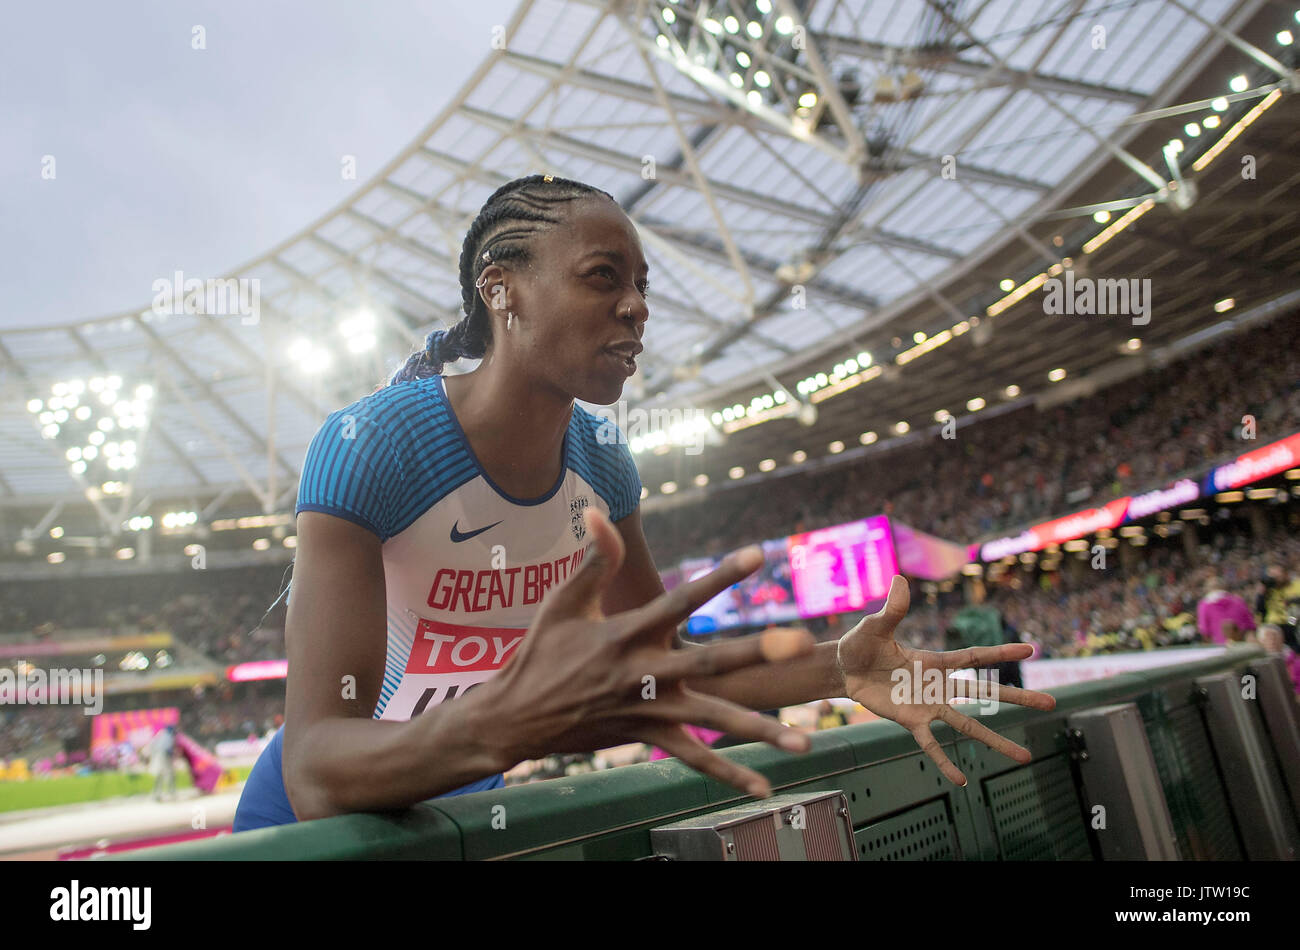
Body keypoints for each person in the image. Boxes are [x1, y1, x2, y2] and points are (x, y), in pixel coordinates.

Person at [234, 174, 1056, 832]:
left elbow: (666, 677)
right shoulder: (370, 446)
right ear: (502, 291)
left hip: (457, 808)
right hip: (306, 832)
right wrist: (510, 723)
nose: (637, 307)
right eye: (603, 278)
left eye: (641, 285)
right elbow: (316, 769)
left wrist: (840, 666)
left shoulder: (603, 463)